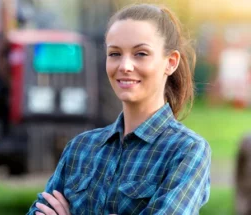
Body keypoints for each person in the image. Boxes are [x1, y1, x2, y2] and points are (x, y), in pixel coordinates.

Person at [27, 3, 211, 215]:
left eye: (140, 53)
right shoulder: (80, 148)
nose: (124, 66)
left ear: (170, 62)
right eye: (114, 54)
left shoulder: (186, 151)